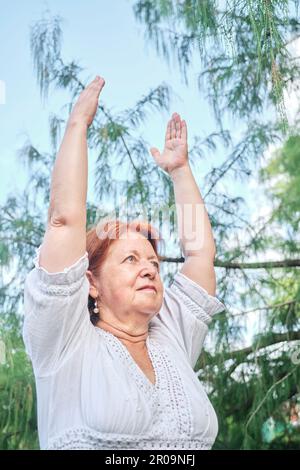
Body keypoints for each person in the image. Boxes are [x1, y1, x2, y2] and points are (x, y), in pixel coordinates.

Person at [22, 75, 225, 450]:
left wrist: (180, 171)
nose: (149, 268)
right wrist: (77, 126)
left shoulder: (172, 338)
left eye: (153, 262)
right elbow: (63, 221)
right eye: (130, 259)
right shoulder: (65, 341)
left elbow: (200, 254)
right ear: (91, 282)